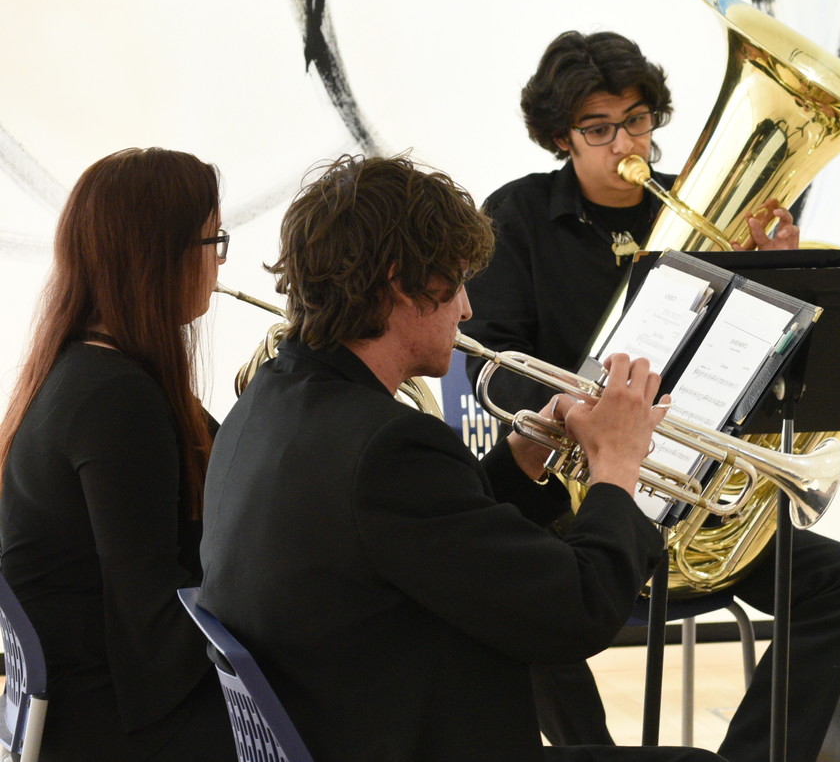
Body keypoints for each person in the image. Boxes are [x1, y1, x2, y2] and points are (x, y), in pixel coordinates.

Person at [196, 154, 722, 762]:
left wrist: (525, 455)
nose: (468, 309)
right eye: (457, 281)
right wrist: (618, 466)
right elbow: (578, 613)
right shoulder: (387, 448)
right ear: (400, 281)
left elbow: (433, 539)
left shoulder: (271, 397)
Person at [465, 31, 840, 761]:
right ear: (562, 137)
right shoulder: (518, 217)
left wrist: (781, 280)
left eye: (637, 120)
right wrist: (577, 413)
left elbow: (762, 367)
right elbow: (493, 361)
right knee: (516, 596)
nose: (625, 142)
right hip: (571, 486)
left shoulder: (708, 204)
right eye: (598, 128)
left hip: (688, 487)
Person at [0, 148, 238, 761]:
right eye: (213, 241)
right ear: (161, 258)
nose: (217, 263)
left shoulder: (80, 368)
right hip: (107, 721)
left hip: (85, 702)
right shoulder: (115, 399)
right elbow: (153, 626)